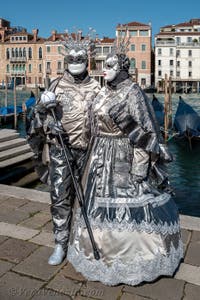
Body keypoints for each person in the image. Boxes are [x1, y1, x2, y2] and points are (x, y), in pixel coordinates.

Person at [67, 44, 183, 285]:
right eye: (103, 65)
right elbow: (89, 123)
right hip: (98, 156)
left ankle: (130, 256)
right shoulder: (103, 92)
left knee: (127, 206)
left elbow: (145, 132)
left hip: (123, 156)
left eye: (110, 66)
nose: (104, 70)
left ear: (121, 68)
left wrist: (140, 168)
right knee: (94, 205)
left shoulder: (133, 93)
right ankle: (94, 250)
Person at [27, 29, 100, 265]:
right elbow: (36, 116)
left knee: (88, 197)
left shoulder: (97, 88)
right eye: (72, 59)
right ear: (66, 60)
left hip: (88, 152)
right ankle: (60, 243)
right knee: (60, 196)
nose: (76, 62)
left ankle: (81, 241)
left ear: (87, 60)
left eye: (80, 59)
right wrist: (48, 122)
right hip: (60, 150)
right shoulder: (55, 85)